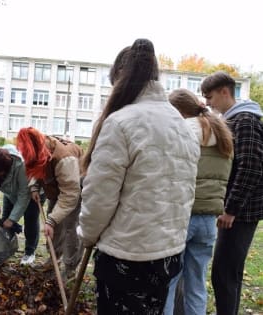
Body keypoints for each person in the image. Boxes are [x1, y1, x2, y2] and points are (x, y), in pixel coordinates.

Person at [77, 39, 200, 314]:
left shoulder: (121, 122)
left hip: (127, 256)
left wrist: (87, 234)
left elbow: (100, 197)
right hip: (168, 254)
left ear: (121, 79)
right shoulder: (181, 124)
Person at [163, 88, 233, 315]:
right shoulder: (223, 135)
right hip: (208, 221)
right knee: (196, 284)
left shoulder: (181, 133)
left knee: (169, 283)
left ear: (178, 112)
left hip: (182, 217)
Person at [201, 71, 263, 315]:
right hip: (238, 211)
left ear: (224, 92)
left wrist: (231, 209)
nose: (207, 102)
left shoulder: (245, 121)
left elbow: (250, 167)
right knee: (229, 273)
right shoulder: (237, 119)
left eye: (209, 96)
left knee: (224, 273)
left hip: (241, 213)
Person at [16, 127, 84, 280]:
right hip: (55, 187)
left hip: (73, 191)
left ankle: (70, 267)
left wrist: (52, 220)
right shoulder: (39, 148)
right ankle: (53, 260)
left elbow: (70, 194)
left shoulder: (65, 160)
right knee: (53, 227)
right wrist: (34, 185)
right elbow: (35, 166)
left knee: (69, 228)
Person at [0, 144, 44, 265]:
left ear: (6, 167)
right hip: (10, 193)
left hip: (32, 193)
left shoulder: (21, 166)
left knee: (30, 220)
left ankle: (29, 252)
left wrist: (13, 219)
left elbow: (23, 195)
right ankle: (4, 248)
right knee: (5, 221)